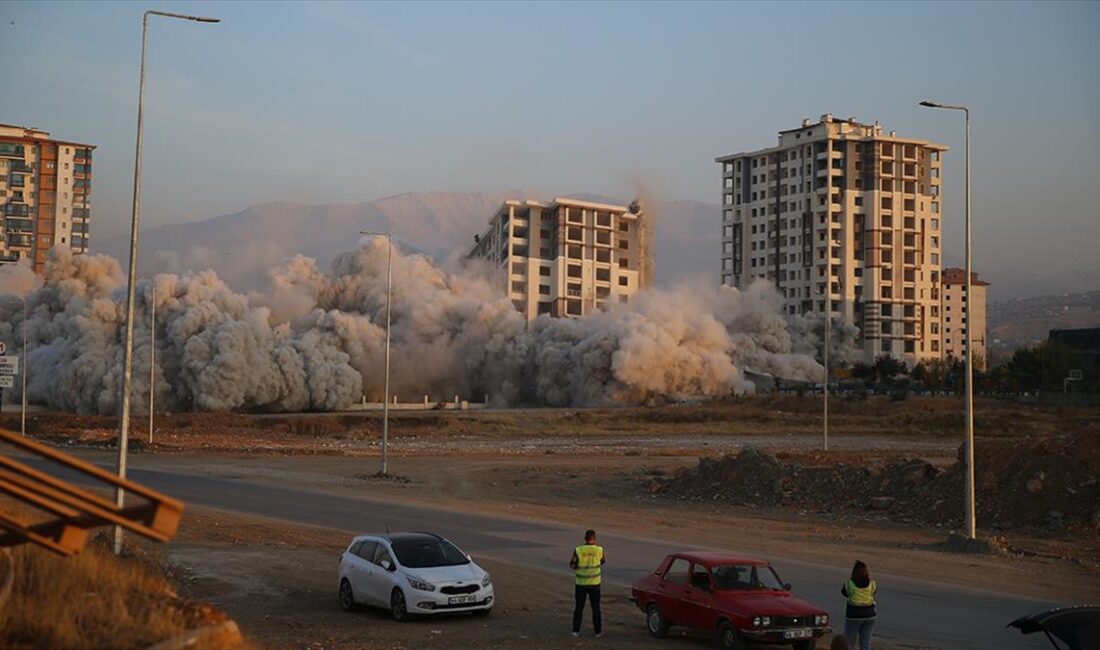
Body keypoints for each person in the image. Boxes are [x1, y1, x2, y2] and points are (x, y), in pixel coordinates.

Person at [570, 529, 605, 637]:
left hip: (581, 583)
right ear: (594, 538)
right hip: (595, 584)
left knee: (579, 608)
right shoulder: (599, 550)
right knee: (596, 609)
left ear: (585, 538)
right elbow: (602, 561)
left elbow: (573, 565)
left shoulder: (578, 550)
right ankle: (597, 632)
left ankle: (576, 631)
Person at [841, 560, 877, 650]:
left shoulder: (850, 583)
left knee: (849, 644)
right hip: (869, 616)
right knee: (865, 644)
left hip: (854, 616)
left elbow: (844, 593)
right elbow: (874, 592)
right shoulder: (872, 583)